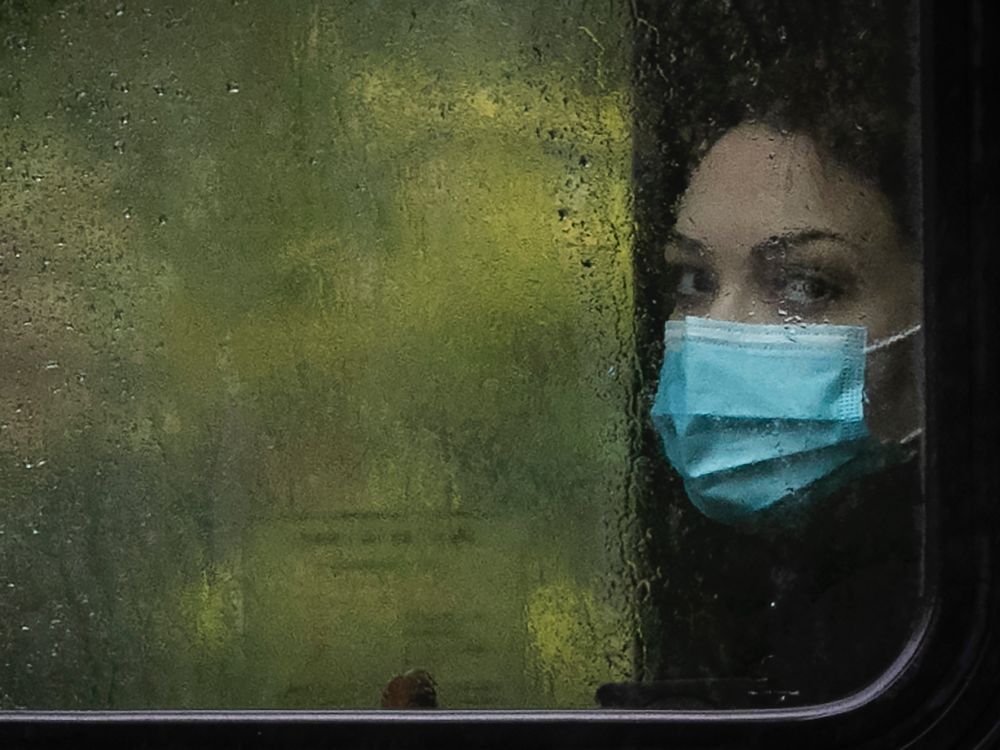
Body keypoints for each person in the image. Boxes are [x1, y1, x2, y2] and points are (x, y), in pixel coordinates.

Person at [600, 0, 923, 708]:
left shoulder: (937, 635)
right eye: (693, 279)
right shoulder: (714, 593)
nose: (719, 328)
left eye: (805, 285)